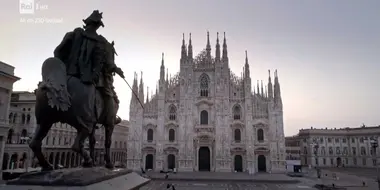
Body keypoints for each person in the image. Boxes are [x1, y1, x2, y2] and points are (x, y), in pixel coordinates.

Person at [53, 10, 123, 124]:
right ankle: (111, 118)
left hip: (67, 73)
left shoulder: (73, 34)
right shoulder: (102, 41)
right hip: (88, 77)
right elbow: (109, 64)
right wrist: (116, 69)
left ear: (87, 23)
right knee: (109, 95)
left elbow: (57, 52)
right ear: (98, 26)